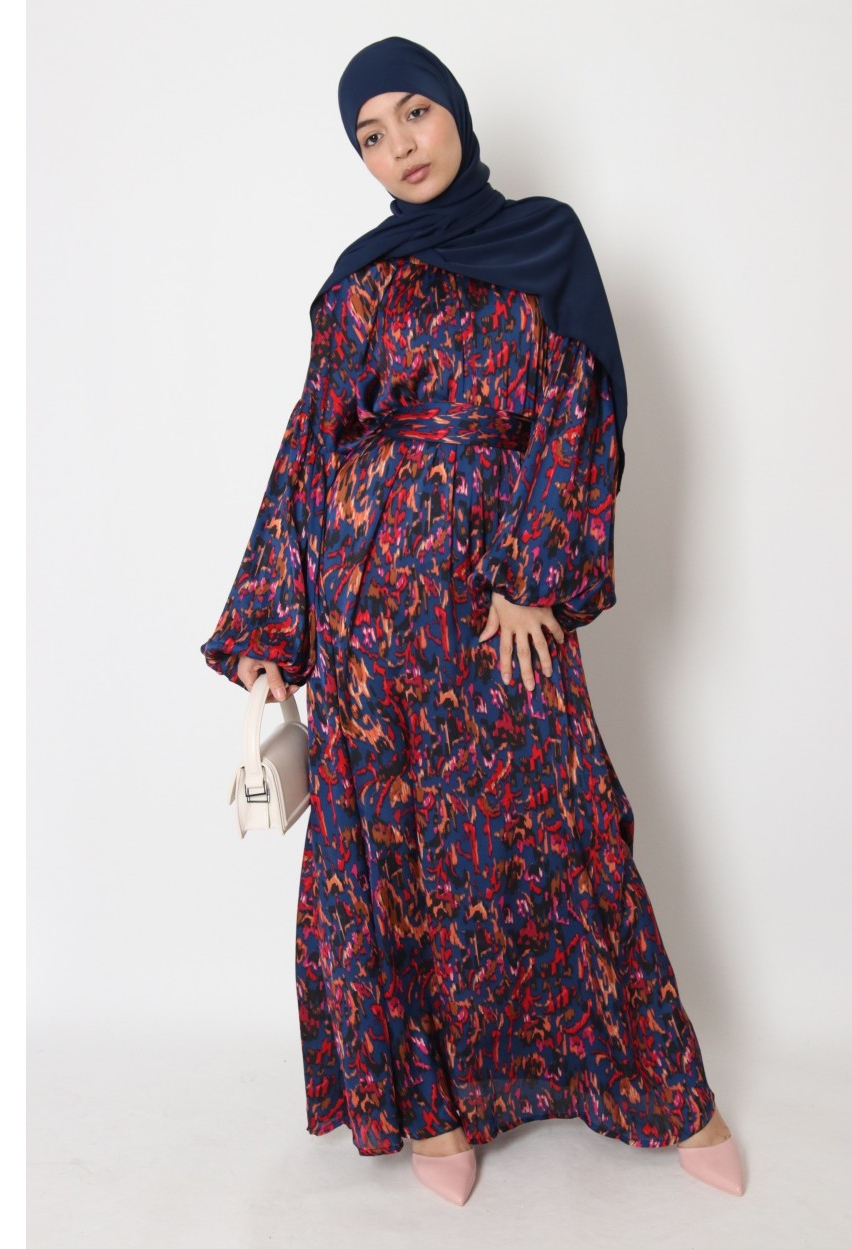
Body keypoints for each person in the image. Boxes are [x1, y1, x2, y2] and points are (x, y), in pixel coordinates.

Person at [200, 35, 745, 1206]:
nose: (400, 146)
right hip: (364, 614)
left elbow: (579, 410)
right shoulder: (359, 280)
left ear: (452, 110)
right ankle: (434, 1115)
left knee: (559, 825)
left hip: (496, 608)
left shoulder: (544, 242)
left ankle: (662, 1090)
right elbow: (310, 447)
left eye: (414, 114)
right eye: (371, 135)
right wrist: (271, 634)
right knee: (391, 851)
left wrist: (532, 575)